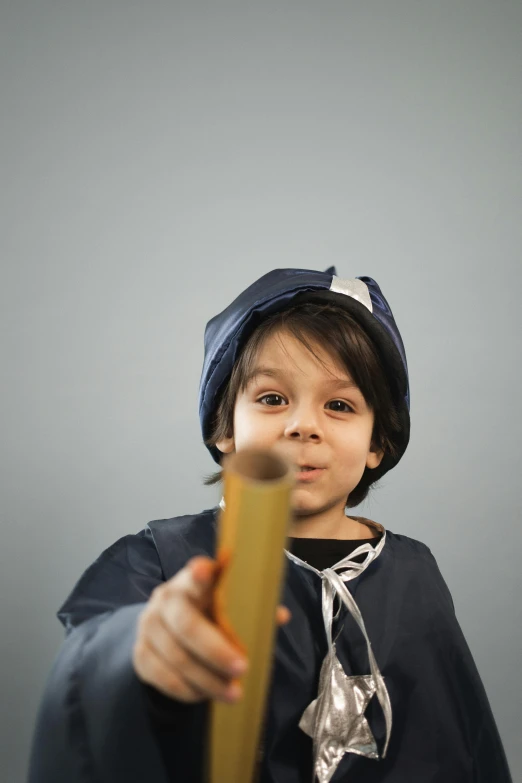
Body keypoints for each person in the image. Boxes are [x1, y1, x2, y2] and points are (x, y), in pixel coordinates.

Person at [28, 266, 513, 783]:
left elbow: (460, 742)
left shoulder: (415, 574)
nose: (303, 425)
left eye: (340, 405)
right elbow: (90, 666)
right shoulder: (160, 559)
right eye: (272, 399)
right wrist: (141, 648)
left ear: (377, 444)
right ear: (225, 427)